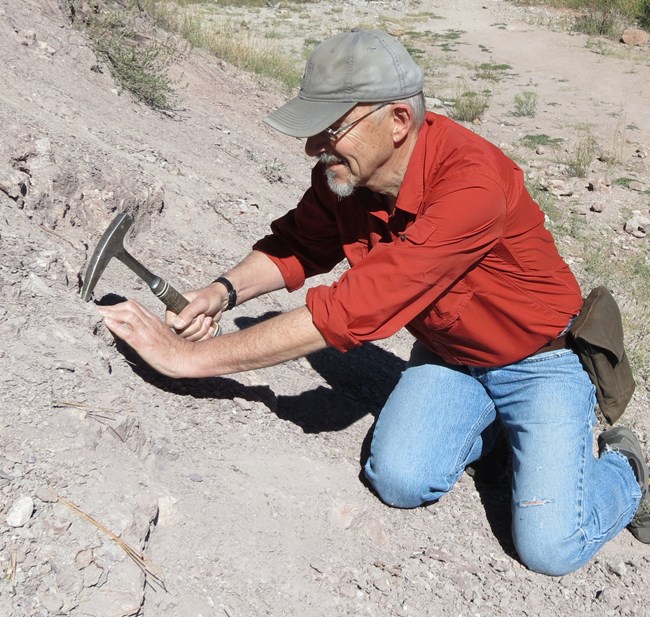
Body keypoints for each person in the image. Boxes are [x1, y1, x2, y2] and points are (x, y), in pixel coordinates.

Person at [97, 28, 649, 576]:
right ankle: (505, 437)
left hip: (541, 361)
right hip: (450, 357)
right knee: (400, 480)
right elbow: (296, 246)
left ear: (398, 122)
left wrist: (188, 360)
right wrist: (220, 292)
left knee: (550, 549)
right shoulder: (345, 177)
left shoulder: (472, 185)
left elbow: (352, 310)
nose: (314, 148)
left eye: (329, 130)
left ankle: (626, 466)